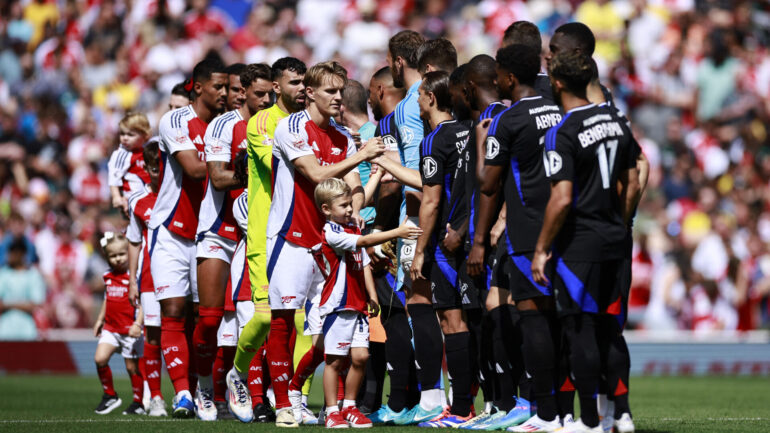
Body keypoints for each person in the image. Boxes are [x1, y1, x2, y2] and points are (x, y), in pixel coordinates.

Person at [264, 61, 385, 427]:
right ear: (310, 93)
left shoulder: (344, 137)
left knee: (332, 332)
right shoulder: (291, 127)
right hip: (293, 239)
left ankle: (301, 391)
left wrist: (357, 209)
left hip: (331, 248)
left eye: (341, 90)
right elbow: (315, 174)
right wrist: (363, 155)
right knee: (284, 320)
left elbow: (354, 186)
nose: (339, 97)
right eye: (331, 91)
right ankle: (282, 401)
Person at [531, 51, 639, 433]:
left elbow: (560, 198)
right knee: (610, 328)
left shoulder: (564, 130)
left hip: (580, 244)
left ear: (557, 84)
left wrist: (542, 248)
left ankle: (590, 421)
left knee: (580, 329)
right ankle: (620, 416)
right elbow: (635, 181)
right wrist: (618, 222)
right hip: (616, 240)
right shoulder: (615, 120)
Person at [471, 43, 564, 432]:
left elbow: (488, 183)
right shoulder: (559, 110)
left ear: (508, 78)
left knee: (534, 319)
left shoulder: (508, 121)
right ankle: (567, 410)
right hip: (564, 225)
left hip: (526, 230)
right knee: (562, 320)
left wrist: (482, 139)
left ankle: (543, 413)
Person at [144, 57, 227, 418]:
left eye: (229, 87)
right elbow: (194, 170)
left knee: (206, 319)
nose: (225, 94)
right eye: (219, 87)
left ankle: (202, 387)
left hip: (211, 233)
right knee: (174, 311)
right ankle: (181, 393)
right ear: (198, 86)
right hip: (172, 232)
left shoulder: (228, 125)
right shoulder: (175, 120)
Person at [226, 57, 307, 422]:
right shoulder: (261, 124)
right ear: (276, 87)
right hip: (266, 234)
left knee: (303, 321)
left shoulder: (311, 123)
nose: (302, 88)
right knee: (263, 317)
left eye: (305, 82)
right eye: (294, 82)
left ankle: (294, 399)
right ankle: (237, 372)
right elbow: (288, 166)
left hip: (304, 231)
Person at [193, 62, 273, 421]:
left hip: (254, 233)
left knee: (252, 319)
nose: (263, 99)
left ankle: (247, 389)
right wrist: (245, 170)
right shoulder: (224, 125)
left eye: (269, 94)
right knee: (210, 320)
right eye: (257, 93)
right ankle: (203, 387)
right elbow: (217, 177)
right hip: (218, 231)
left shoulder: (277, 123)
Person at [313, 178, 422, 428]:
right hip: (338, 306)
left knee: (360, 357)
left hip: (359, 305)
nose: (350, 209)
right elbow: (362, 244)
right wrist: (397, 232)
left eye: (350, 204)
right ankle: (331, 411)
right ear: (326, 210)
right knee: (335, 360)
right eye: (344, 206)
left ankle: (350, 406)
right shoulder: (331, 231)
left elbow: (363, 265)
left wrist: (372, 296)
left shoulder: (352, 227)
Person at [460, 53, 524, 430]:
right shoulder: (499, 115)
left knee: (511, 310)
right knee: (492, 310)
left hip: (509, 230)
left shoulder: (499, 120)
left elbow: (492, 181)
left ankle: (520, 401)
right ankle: (504, 403)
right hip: (499, 230)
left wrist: (494, 226)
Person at [409, 71, 474, 427]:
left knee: (452, 321)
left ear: (431, 98)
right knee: (476, 321)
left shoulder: (434, 141)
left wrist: (420, 251)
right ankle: (485, 402)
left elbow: (431, 202)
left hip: (446, 245)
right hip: (472, 234)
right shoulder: (471, 129)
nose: (416, 101)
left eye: (419, 94)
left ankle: (461, 408)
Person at [126, 138, 166, 417]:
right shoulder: (138, 201)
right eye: (152, 169)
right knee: (152, 334)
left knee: (187, 331)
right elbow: (133, 242)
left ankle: (194, 394)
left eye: (161, 167)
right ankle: (156, 398)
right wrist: (131, 280)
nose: (157, 173)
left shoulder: (186, 194)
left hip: (183, 275)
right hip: (150, 276)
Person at [92, 233, 145, 416]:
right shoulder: (107, 275)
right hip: (111, 328)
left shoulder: (135, 276)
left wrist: (138, 324)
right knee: (100, 359)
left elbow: (145, 302)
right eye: (113, 256)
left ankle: (139, 403)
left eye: (121, 254)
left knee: (132, 367)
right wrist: (100, 320)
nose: (118, 259)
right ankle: (110, 395)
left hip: (130, 329)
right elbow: (108, 299)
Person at [0, 238, 45, 340]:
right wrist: (23, 304)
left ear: (21, 254)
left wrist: (7, 304)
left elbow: (35, 304)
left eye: (12, 252)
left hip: (27, 332)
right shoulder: (3, 273)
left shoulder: (33, 275)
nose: (8, 256)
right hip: (4, 332)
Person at [108, 112, 151, 214]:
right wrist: (116, 197)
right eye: (122, 134)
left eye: (130, 135)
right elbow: (114, 176)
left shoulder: (146, 150)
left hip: (148, 196)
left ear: (144, 135)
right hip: (132, 198)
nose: (125, 138)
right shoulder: (122, 154)